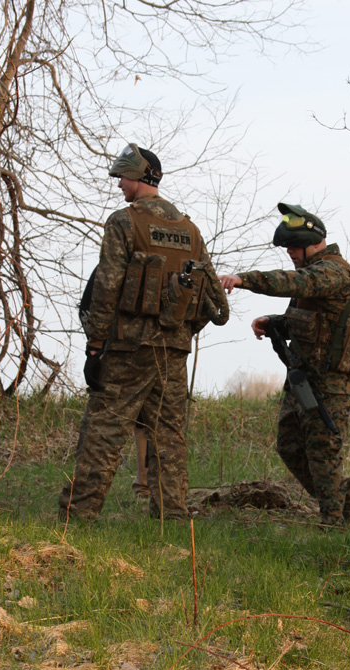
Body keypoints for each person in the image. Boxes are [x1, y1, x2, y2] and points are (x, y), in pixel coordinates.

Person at [60, 143, 229, 521]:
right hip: (173, 349)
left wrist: (94, 347)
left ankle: (79, 516)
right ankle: (172, 514)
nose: (119, 184)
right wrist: (181, 331)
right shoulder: (189, 229)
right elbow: (207, 295)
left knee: (104, 429)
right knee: (168, 434)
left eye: (122, 177)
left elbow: (106, 288)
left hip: (128, 347)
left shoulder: (124, 221)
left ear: (138, 178)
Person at [218, 202, 350, 527]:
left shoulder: (332, 271)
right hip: (303, 377)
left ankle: (332, 524)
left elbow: (292, 282)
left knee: (323, 451)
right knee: (289, 445)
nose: (289, 252)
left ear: (312, 243)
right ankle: (349, 500)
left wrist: (243, 279)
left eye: (292, 246)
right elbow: (309, 320)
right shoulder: (314, 273)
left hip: (330, 382)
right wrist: (275, 322)